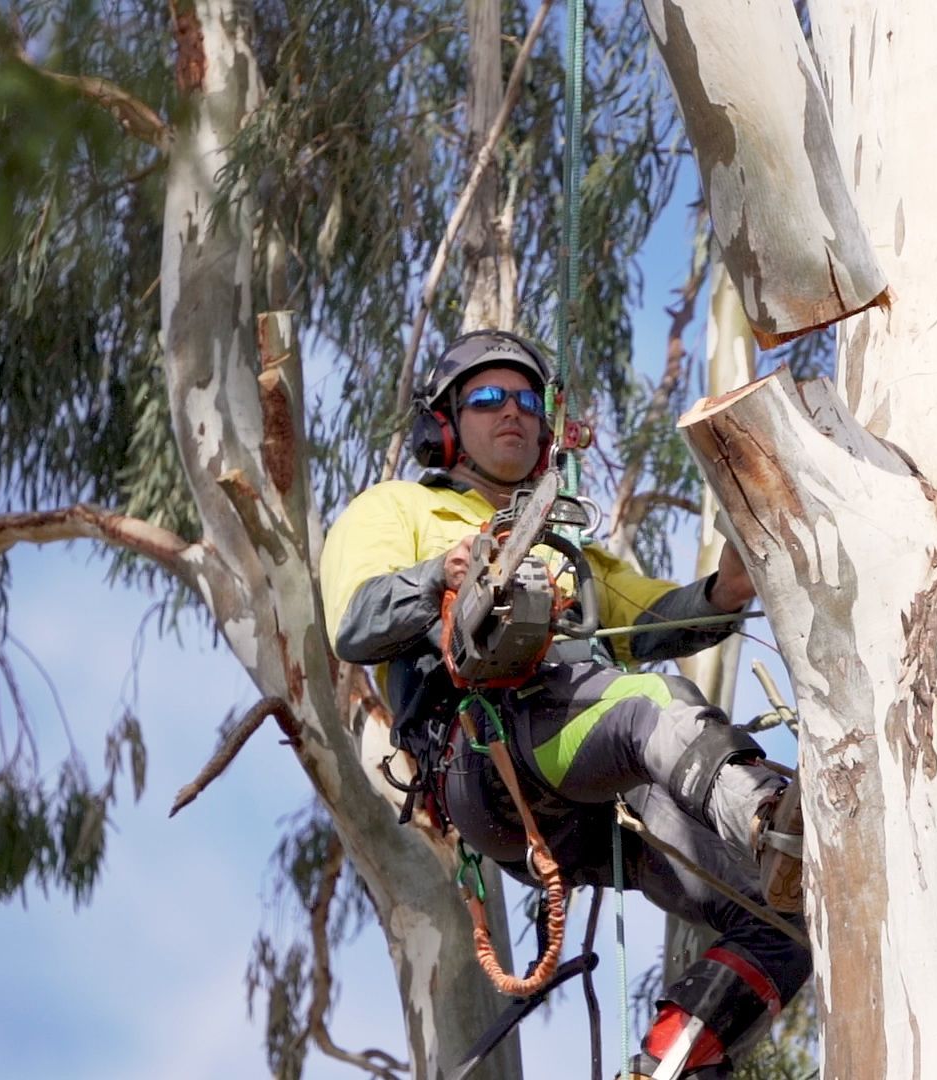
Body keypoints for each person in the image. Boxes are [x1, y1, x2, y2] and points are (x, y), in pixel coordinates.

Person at [320, 330, 806, 1079]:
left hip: (591, 775)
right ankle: (772, 818)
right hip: (486, 754)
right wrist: (441, 575)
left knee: (784, 924)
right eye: (486, 398)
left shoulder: (561, 545)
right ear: (446, 423)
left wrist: (725, 592)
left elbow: (647, 621)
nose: (510, 411)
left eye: (524, 400)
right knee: (647, 706)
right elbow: (355, 624)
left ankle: (666, 1067)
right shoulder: (395, 509)